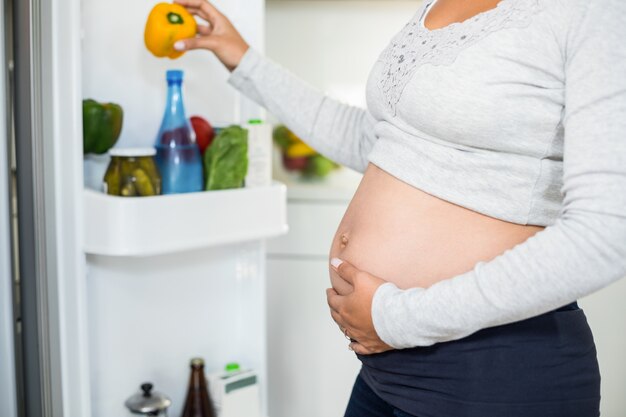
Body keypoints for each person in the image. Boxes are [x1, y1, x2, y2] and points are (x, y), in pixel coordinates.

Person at [173, 0, 626, 416]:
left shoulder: (589, 13)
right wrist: (243, 59)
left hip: (495, 374)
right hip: (387, 373)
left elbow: (606, 233)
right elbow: (375, 141)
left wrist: (396, 318)